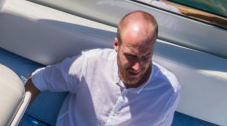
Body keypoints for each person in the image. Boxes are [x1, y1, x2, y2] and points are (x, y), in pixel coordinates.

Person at [25, 10, 180, 126]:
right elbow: (39, 80)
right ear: (116, 45)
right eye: (131, 56)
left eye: (146, 56)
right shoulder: (89, 64)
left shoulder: (169, 91)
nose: (137, 66)